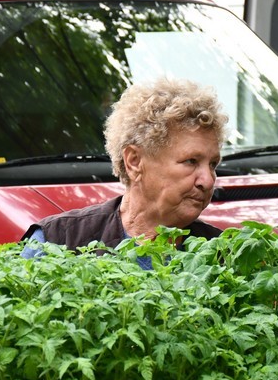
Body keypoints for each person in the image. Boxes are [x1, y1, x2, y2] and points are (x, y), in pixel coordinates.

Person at [21, 77, 227, 264]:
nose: (208, 181)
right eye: (191, 161)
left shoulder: (225, 256)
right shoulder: (54, 242)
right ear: (134, 162)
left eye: (212, 165)